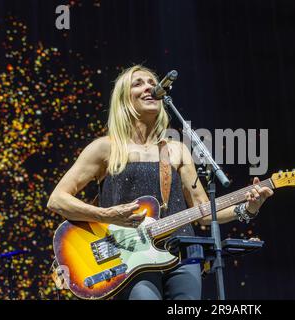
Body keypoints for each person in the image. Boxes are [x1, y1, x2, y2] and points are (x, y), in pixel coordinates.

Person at [47, 64, 274, 300]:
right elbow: (57, 199)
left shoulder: (176, 149)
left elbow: (204, 211)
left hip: (182, 255)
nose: (149, 87)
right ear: (124, 99)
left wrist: (247, 209)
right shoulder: (105, 148)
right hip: (129, 255)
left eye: (151, 82)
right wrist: (104, 215)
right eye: (138, 83)